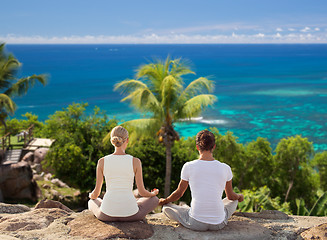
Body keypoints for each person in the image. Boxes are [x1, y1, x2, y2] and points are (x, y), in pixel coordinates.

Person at [159, 130, 244, 231]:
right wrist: (239, 196)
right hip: (218, 224)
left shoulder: (188, 166)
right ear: (214, 146)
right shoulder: (225, 168)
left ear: (197, 147)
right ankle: (193, 209)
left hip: (196, 223)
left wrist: (165, 201)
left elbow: (178, 194)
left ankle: (187, 209)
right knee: (234, 201)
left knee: (166, 208)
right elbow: (230, 196)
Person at [88, 126, 159, 221]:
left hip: (106, 215)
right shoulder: (136, 161)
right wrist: (153, 193)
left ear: (111, 140)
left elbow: (96, 194)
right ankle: (130, 204)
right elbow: (142, 192)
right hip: (131, 215)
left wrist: (91, 196)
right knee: (155, 200)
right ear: (127, 140)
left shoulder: (102, 161)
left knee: (91, 201)